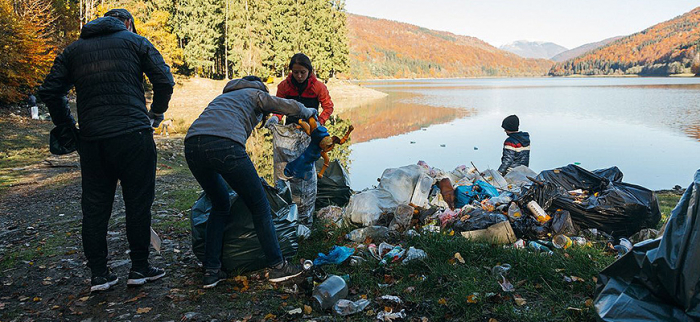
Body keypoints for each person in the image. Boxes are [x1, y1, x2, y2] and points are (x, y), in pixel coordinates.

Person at [38, 9, 175, 292]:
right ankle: (139, 268)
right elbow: (164, 80)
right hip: (134, 135)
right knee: (138, 203)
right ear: (127, 23)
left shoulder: (73, 50)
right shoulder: (136, 42)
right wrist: (155, 114)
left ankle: (99, 274)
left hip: (93, 139)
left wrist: (68, 127)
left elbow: (51, 91)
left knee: (95, 208)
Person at [184, 76, 317, 289]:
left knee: (220, 204)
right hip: (225, 145)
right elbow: (284, 105)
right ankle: (278, 266)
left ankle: (211, 270)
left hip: (192, 146)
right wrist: (307, 111)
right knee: (259, 204)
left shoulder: (224, 97)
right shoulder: (254, 93)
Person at [270, 53, 334, 125]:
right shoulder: (284, 86)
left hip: (312, 126)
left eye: (303, 72)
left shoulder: (319, 87)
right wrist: (276, 117)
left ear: (309, 71)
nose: (299, 76)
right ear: (291, 71)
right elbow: (279, 107)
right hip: (290, 127)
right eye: (295, 72)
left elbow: (328, 107)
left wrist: (320, 121)